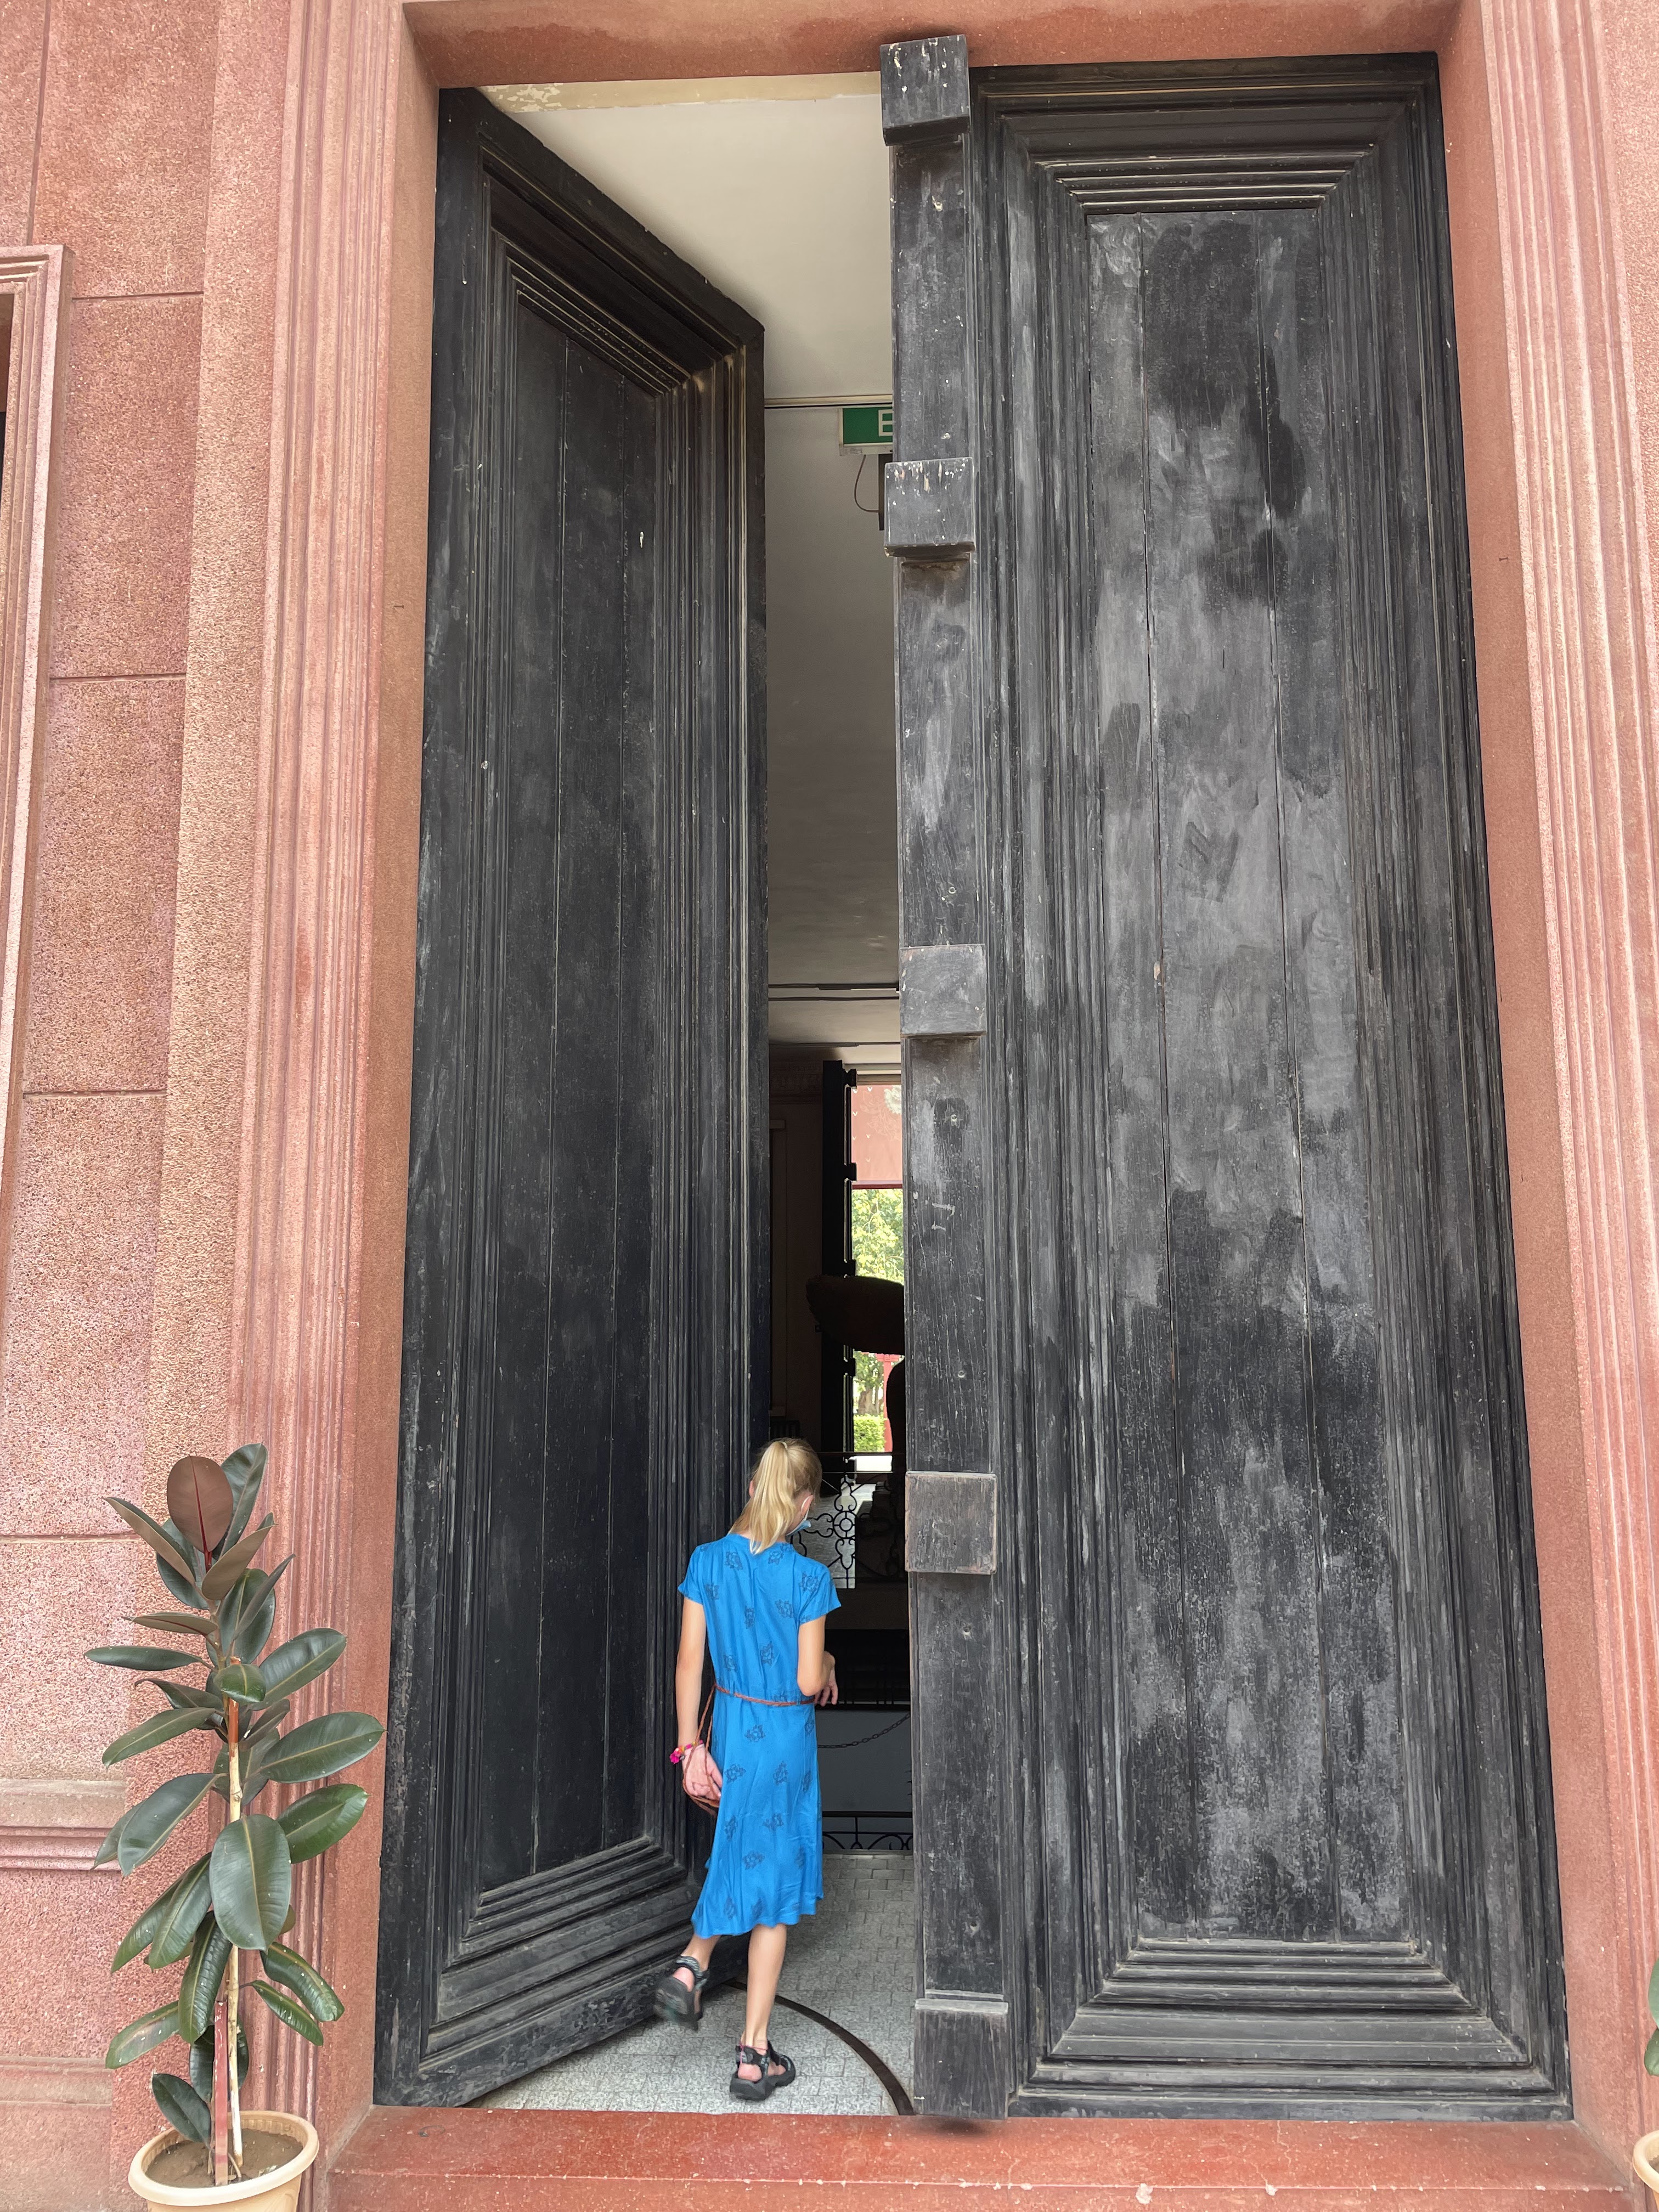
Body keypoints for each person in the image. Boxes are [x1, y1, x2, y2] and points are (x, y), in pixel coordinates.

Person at [652, 1437, 839, 2100]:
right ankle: (751, 2055)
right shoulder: (810, 1579)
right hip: (783, 1738)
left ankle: (694, 1964)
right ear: (806, 1505)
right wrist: (831, 1664)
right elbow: (809, 1679)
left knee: (743, 1852)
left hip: (730, 1728)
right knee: (776, 1891)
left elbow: (688, 1663)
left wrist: (689, 1749)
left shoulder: (707, 1561)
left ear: (755, 1488)